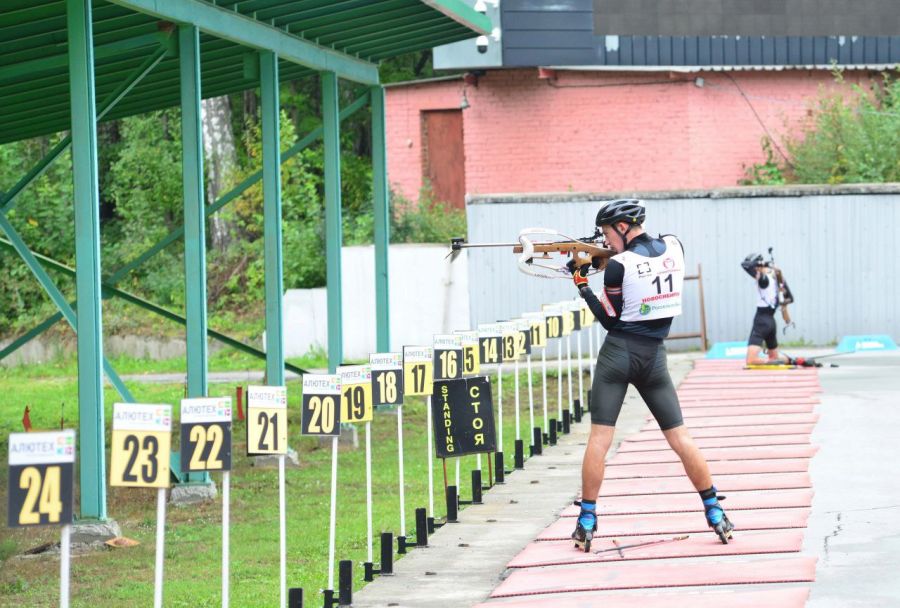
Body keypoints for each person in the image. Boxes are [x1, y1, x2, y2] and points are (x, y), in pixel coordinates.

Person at [568, 199, 733, 551]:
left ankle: (586, 519)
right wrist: (606, 256)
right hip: (655, 356)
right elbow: (645, 259)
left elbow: (610, 319)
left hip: (619, 354)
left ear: (623, 227)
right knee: (681, 438)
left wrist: (582, 284)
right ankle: (715, 510)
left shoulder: (620, 266)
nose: (606, 240)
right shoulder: (674, 246)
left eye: (608, 233)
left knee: (599, 439)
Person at [741, 253, 791, 366]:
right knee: (774, 357)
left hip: (761, 322)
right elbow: (790, 298)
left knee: (751, 360)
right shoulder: (776, 279)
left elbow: (744, 265)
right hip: (771, 323)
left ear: (758, 266)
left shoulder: (763, 279)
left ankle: (775, 362)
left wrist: (763, 263)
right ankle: (789, 360)